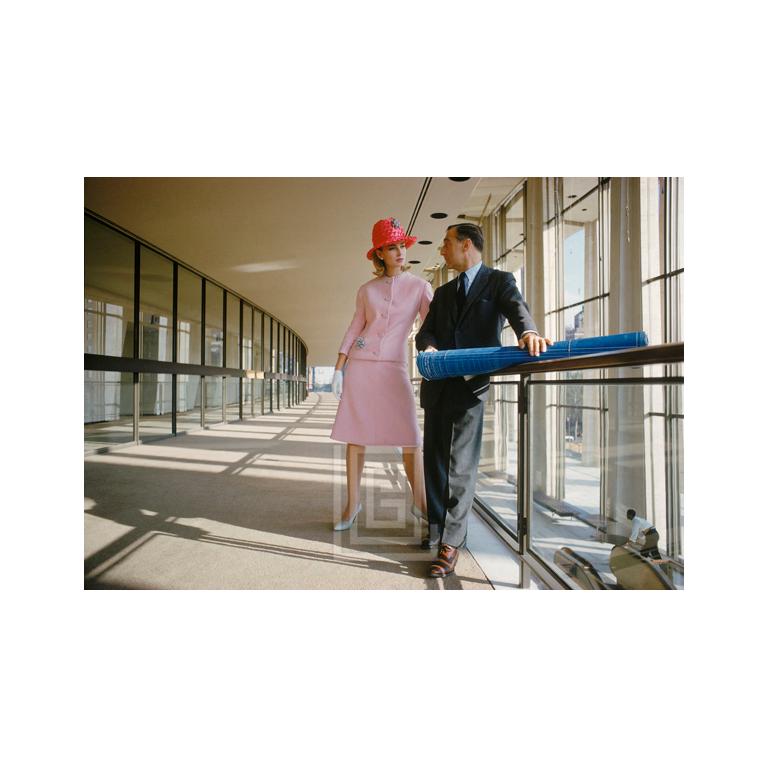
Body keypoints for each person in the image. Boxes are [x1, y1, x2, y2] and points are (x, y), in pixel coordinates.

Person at [415, 222, 552, 577]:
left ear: (465, 245)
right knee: (434, 461)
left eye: (446, 242)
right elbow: (426, 330)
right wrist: (428, 344)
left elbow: (516, 308)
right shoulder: (442, 293)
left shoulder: (499, 281)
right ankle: (435, 529)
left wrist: (529, 331)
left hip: (470, 386)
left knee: (460, 465)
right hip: (438, 385)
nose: (442, 249)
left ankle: (451, 543)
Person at [330, 217, 433, 531]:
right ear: (380, 254)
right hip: (360, 367)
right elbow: (356, 328)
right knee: (354, 437)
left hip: (394, 368)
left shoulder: (420, 287)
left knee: (411, 438)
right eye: (392, 247)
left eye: (401, 245)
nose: (400, 251)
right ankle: (351, 504)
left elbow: (432, 327)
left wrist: (433, 352)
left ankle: (421, 501)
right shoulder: (366, 290)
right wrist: (339, 367)